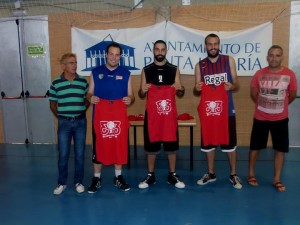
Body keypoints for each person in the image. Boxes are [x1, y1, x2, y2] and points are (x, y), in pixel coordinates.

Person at [194, 33, 242, 189]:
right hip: (209, 112)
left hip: (227, 110)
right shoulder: (199, 65)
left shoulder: (229, 60)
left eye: (215, 44)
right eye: (209, 44)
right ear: (205, 46)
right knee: (209, 144)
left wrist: (231, 86)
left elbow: (237, 84)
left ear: (219, 45)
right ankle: (211, 173)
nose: (213, 47)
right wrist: (197, 88)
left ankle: (233, 174)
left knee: (230, 144)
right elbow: (196, 90)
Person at [248, 45, 298, 192]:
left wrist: (279, 106)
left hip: (280, 119)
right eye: (271, 55)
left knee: (280, 149)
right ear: (267, 57)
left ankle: (277, 179)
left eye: (277, 55)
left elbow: (293, 94)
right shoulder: (259, 74)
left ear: (282, 57)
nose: (274, 58)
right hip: (260, 117)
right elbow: (253, 93)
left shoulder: (290, 74)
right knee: (255, 147)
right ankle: (251, 174)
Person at [87, 42, 134, 193]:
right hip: (100, 116)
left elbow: (131, 95)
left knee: (118, 145)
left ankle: (118, 177)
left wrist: (129, 99)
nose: (114, 57)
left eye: (117, 54)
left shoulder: (126, 73)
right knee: (99, 145)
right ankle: (96, 178)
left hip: (118, 116)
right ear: (106, 55)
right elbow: (89, 92)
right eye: (111, 54)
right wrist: (90, 98)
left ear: (120, 56)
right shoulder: (95, 72)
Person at [138, 40, 186, 189]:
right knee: (151, 146)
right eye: (157, 49)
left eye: (162, 50)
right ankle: (150, 175)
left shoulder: (174, 69)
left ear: (166, 51)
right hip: (152, 116)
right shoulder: (146, 70)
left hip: (168, 116)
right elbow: (140, 93)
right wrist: (143, 90)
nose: (160, 52)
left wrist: (179, 88)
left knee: (171, 146)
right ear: (153, 51)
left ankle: (172, 174)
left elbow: (180, 92)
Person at [49, 53, 90, 195]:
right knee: (63, 154)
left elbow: (88, 99)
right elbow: (53, 104)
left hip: (80, 123)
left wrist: (81, 111)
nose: (75, 65)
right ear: (64, 66)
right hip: (64, 124)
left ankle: (78, 182)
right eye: (71, 63)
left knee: (79, 154)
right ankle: (62, 183)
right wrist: (61, 117)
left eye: (76, 62)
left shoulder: (83, 82)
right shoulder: (55, 83)